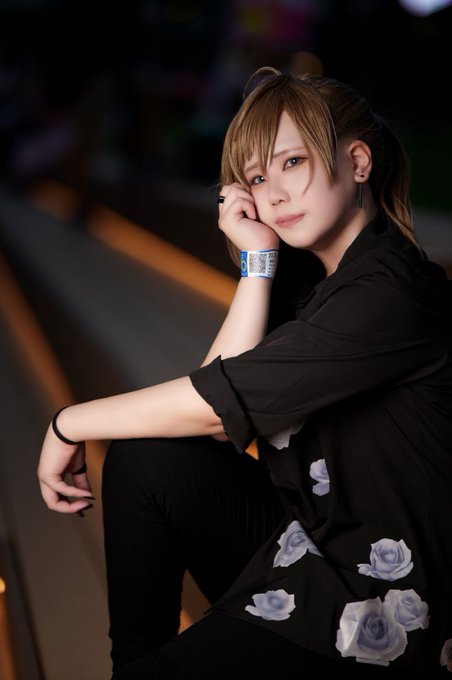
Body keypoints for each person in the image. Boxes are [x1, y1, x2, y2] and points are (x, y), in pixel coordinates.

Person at [37, 67, 452, 679]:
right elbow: (215, 403)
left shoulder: (388, 294)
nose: (273, 194)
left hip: (386, 608)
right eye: (257, 177)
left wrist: (68, 422)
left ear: (358, 162)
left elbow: (213, 405)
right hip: (313, 551)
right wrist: (257, 262)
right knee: (148, 457)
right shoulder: (320, 282)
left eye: (292, 163)